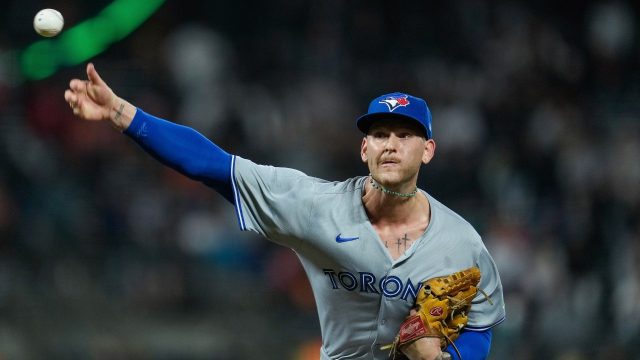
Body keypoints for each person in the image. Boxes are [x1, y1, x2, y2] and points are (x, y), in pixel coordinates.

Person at [64, 63, 505, 360]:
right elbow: (212, 165)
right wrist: (121, 113)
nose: (391, 143)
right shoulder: (316, 207)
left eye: (405, 135)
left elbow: (480, 328)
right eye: (380, 133)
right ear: (364, 147)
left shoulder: (460, 242)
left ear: (427, 150)